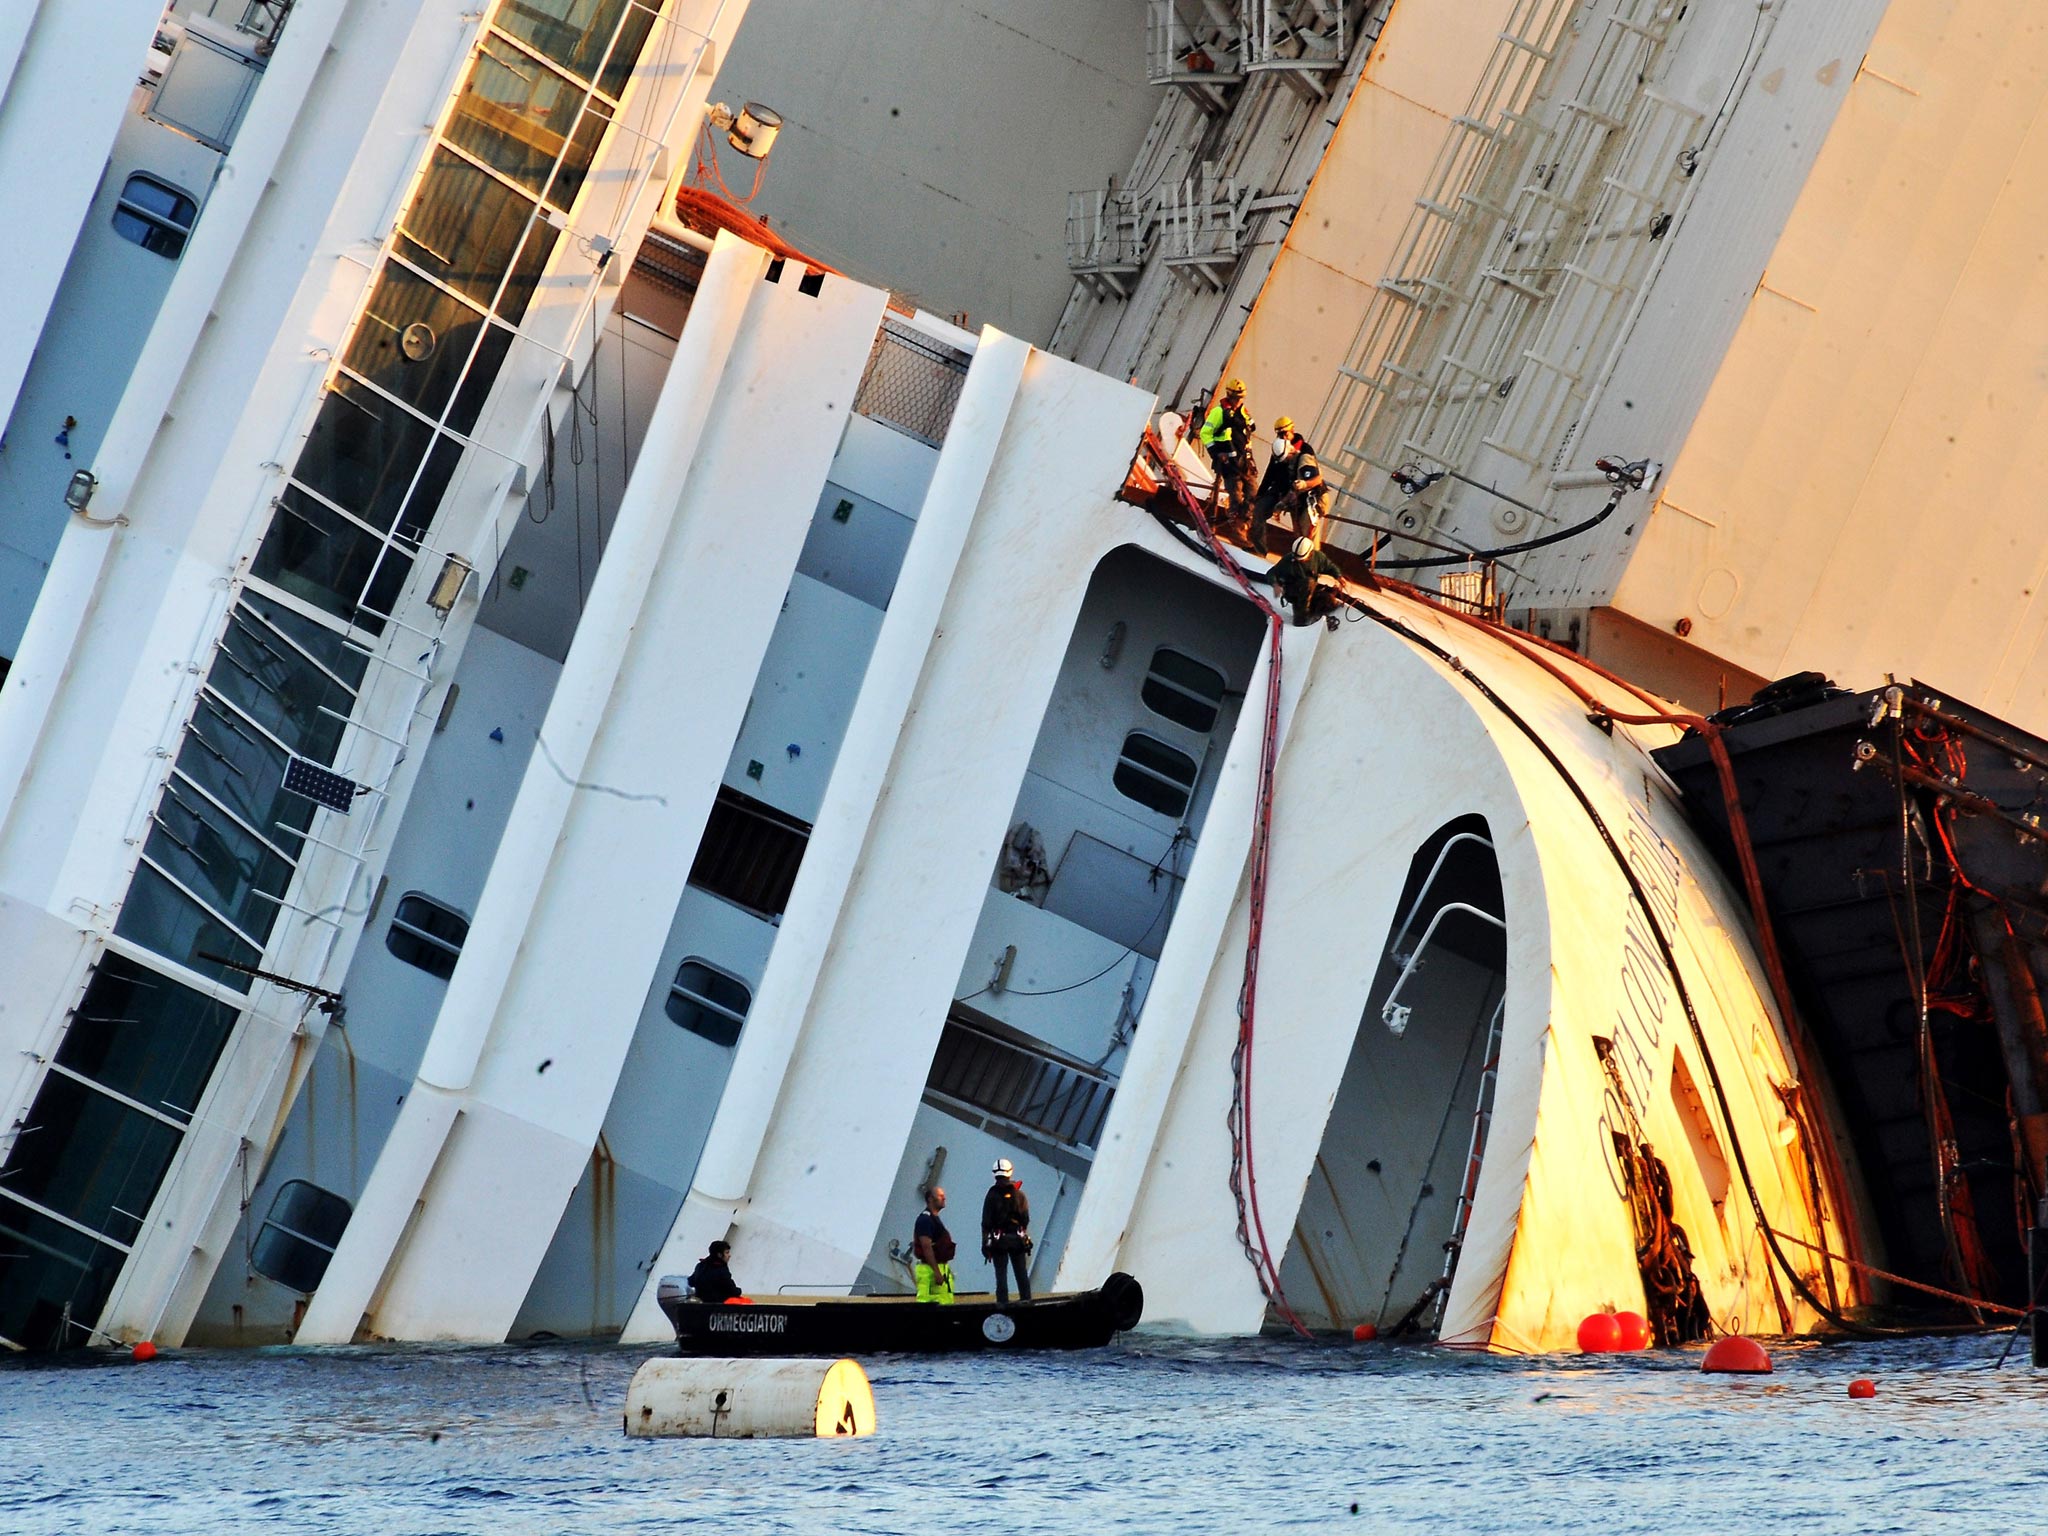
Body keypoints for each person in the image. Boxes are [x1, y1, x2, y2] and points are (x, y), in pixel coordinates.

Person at [1255, 421, 1327, 556]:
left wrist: (1304, 484)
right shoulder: (1284, 454)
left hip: (1311, 500)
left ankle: (1311, 568)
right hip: (1296, 497)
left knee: (1308, 537)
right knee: (1298, 533)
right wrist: (1279, 503)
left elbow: (1317, 480)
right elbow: (1271, 473)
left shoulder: (1304, 457)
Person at [1197, 379, 1256, 527]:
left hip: (1244, 460)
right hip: (1228, 462)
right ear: (1229, 396)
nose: (1238, 401)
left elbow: (1249, 429)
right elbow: (1205, 433)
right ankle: (1235, 525)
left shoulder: (1243, 411)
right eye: (1236, 398)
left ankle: (1245, 520)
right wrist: (1216, 453)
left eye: (1241, 398)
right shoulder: (1219, 412)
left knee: (1253, 493)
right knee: (1235, 496)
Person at [981, 1157, 1033, 1304]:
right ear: (1010, 1172)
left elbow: (986, 1222)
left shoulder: (991, 1195)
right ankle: (1026, 1301)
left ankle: (1003, 1304)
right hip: (1017, 1240)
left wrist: (985, 1242)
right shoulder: (1019, 1195)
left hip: (999, 1241)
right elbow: (1025, 1219)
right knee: (1021, 1273)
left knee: (1001, 1275)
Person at [1272, 535, 1342, 629]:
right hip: (1294, 592)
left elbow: (1329, 566)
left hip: (1311, 589)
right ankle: (1301, 618)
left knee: (1327, 599)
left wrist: (1338, 576)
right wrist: (1276, 585)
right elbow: (1271, 573)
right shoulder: (1287, 561)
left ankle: (1312, 608)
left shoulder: (1318, 557)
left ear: (1310, 553)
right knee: (1308, 583)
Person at [911, 1185, 957, 1304]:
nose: (944, 1198)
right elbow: (926, 1247)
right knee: (929, 1304)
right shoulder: (925, 1220)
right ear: (931, 1198)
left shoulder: (934, 1219)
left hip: (940, 1269)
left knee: (944, 1301)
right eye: (940, 1196)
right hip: (930, 1271)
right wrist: (936, 1272)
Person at [687, 1239, 740, 1304]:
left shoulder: (700, 1266)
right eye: (727, 1252)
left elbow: (691, 1282)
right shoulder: (721, 1270)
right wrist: (739, 1291)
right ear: (719, 1255)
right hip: (718, 1307)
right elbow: (732, 1290)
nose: (729, 1255)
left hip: (701, 1305)